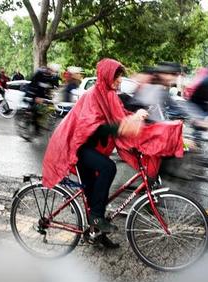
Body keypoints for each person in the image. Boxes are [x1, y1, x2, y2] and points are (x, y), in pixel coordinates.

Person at [42, 58, 184, 248]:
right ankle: (97, 219)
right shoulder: (92, 95)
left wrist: (138, 118)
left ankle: (96, 234)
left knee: (95, 196)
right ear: (107, 76)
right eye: (116, 77)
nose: (119, 81)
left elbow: (122, 112)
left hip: (91, 147)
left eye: (120, 77)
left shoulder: (109, 94)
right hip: (78, 146)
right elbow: (95, 128)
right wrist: (126, 125)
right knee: (108, 168)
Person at [24, 64, 60, 135]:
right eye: (51, 71)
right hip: (32, 92)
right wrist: (35, 97)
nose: (52, 73)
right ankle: (32, 128)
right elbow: (33, 84)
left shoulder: (51, 77)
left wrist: (52, 97)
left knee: (42, 109)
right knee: (35, 111)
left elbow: (51, 88)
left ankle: (39, 125)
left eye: (53, 72)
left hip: (40, 95)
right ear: (48, 69)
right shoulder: (39, 73)